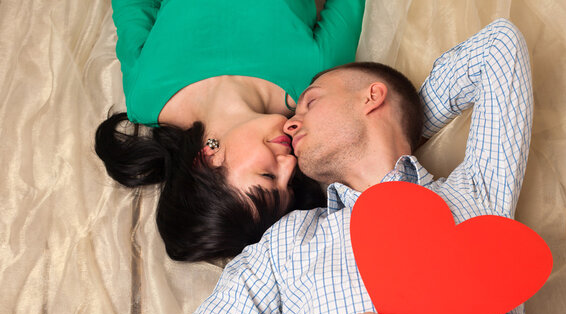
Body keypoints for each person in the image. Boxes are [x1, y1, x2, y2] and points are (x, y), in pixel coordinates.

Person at [151, 19, 534, 314]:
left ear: (371, 97)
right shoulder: (284, 245)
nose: (292, 123)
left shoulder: (478, 192)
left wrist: (398, 121)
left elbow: (498, 47)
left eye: (311, 101)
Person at [95, 0, 365, 261]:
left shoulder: (146, 97)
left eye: (268, 174)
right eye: (289, 182)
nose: (290, 163)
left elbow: (133, 5)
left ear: (206, 160)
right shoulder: (315, 83)